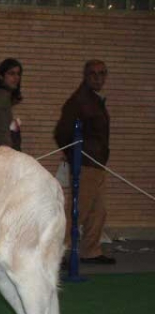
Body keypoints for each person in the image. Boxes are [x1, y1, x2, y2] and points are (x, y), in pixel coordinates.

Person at [54, 59, 116, 265]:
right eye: (93, 74)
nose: (98, 78)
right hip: (86, 164)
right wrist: (75, 156)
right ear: (85, 76)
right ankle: (59, 251)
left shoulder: (95, 100)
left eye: (102, 73)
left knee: (98, 211)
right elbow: (62, 132)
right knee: (77, 210)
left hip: (97, 164)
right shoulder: (79, 100)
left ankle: (91, 250)